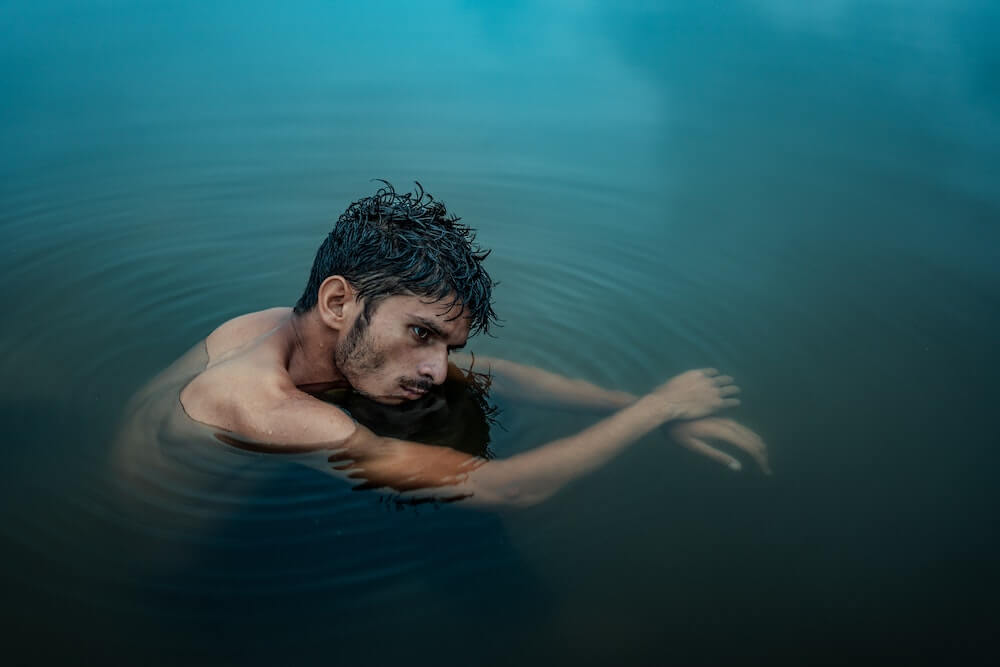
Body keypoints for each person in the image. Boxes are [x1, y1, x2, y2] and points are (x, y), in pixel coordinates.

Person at [119, 182, 769, 508]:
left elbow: (499, 374)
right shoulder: (268, 408)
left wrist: (646, 404)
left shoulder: (279, 327)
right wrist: (653, 411)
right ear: (339, 301)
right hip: (168, 579)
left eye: (448, 345)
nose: (436, 368)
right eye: (421, 333)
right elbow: (506, 489)